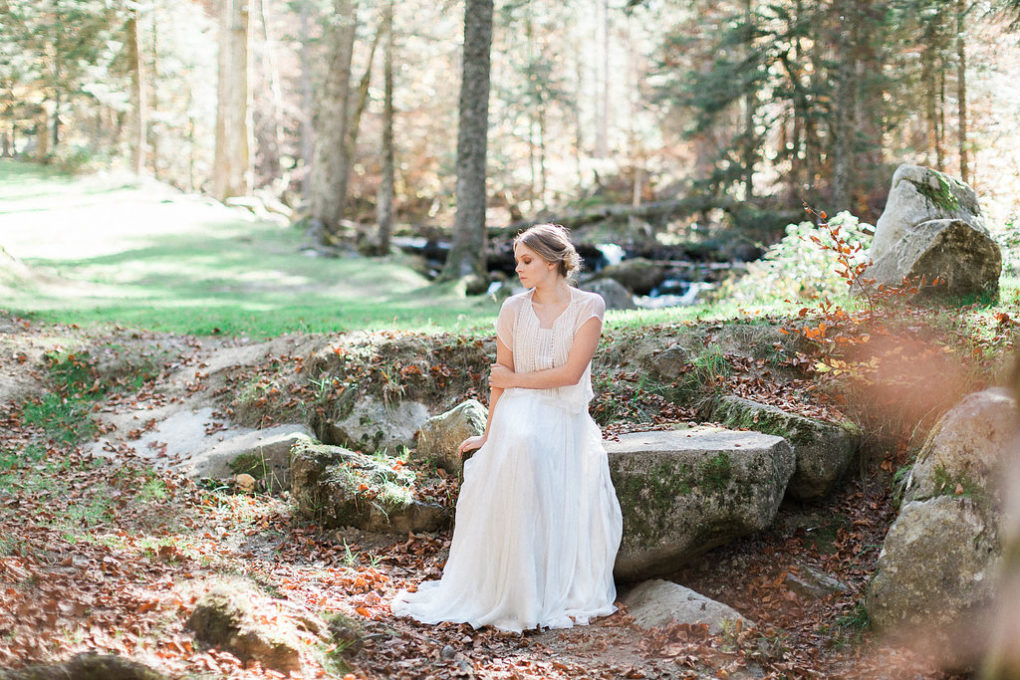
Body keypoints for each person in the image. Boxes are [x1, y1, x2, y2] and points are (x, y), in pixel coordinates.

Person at [391, 223, 623, 633]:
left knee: (535, 444)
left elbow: (570, 375)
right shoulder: (512, 309)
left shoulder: (591, 306)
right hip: (519, 408)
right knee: (519, 441)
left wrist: (513, 380)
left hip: (566, 414)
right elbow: (500, 382)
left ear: (553, 262)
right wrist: (488, 433)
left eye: (527, 261)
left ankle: (543, 587)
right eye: (517, 261)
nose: (518, 268)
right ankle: (514, 588)